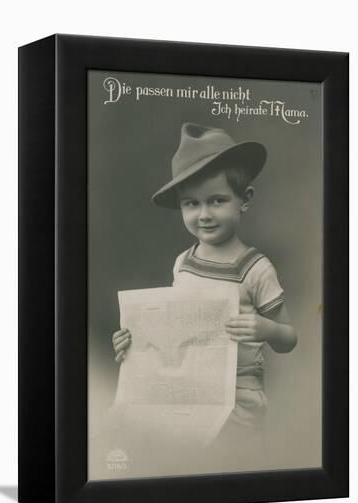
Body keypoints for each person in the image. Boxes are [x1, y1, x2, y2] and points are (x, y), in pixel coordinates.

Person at [112, 122, 297, 471]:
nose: (204, 214)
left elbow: (289, 337)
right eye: (191, 204)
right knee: (181, 469)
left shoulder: (256, 268)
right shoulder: (184, 263)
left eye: (217, 200)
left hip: (239, 398)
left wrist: (266, 329)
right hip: (187, 393)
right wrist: (132, 343)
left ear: (245, 200)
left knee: (233, 471)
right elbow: (171, 333)